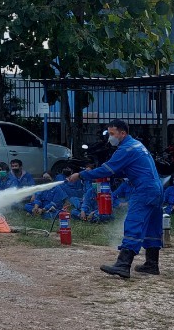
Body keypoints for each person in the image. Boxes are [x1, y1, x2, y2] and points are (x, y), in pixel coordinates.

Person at [70, 119, 163, 278]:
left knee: (133, 223)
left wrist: (81, 175)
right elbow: (127, 169)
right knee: (152, 226)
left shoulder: (126, 149)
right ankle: (151, 264)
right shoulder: (136, 145)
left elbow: (107, 169)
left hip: (144, 190)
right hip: (156, 189)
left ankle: (123, 264)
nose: (110, 137)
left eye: (112, 134)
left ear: (123, 133)